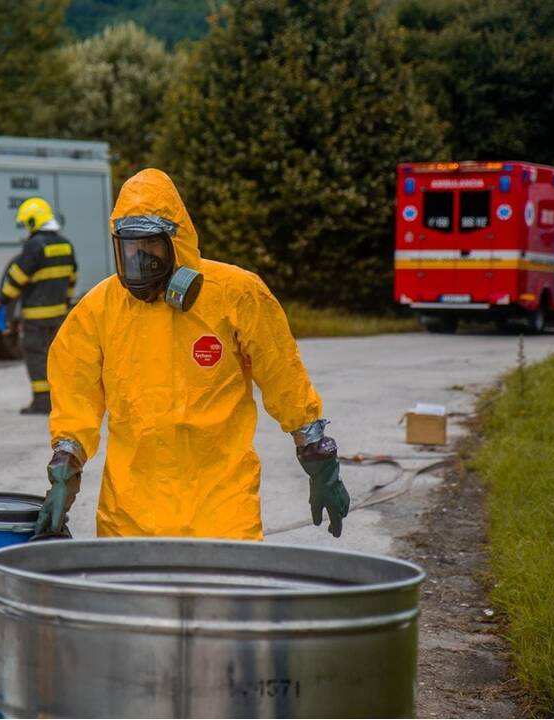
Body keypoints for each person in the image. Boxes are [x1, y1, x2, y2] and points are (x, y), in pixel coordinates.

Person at [33, 169, 349, 541]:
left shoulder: (235, 295)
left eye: (151, 246)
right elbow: (75, 397)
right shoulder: (99, 310)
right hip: (131, 517)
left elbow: (285, 378)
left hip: (221, 511)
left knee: (226, 597)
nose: (139, 259)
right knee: (131, 598)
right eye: (129, 248)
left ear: (176, 243)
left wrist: (320, 459)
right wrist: (64, 472)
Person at [0, 196, 77, 415]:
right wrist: (65, 302)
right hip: (59, 314)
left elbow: (16, 277)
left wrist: (2, 300)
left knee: (35, 354)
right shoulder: (65, 244)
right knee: (56, 357)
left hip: (36, 316)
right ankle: (59, 399)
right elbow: (72, 278)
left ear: (33, 221)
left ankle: (42, 401)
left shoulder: (34, 246)